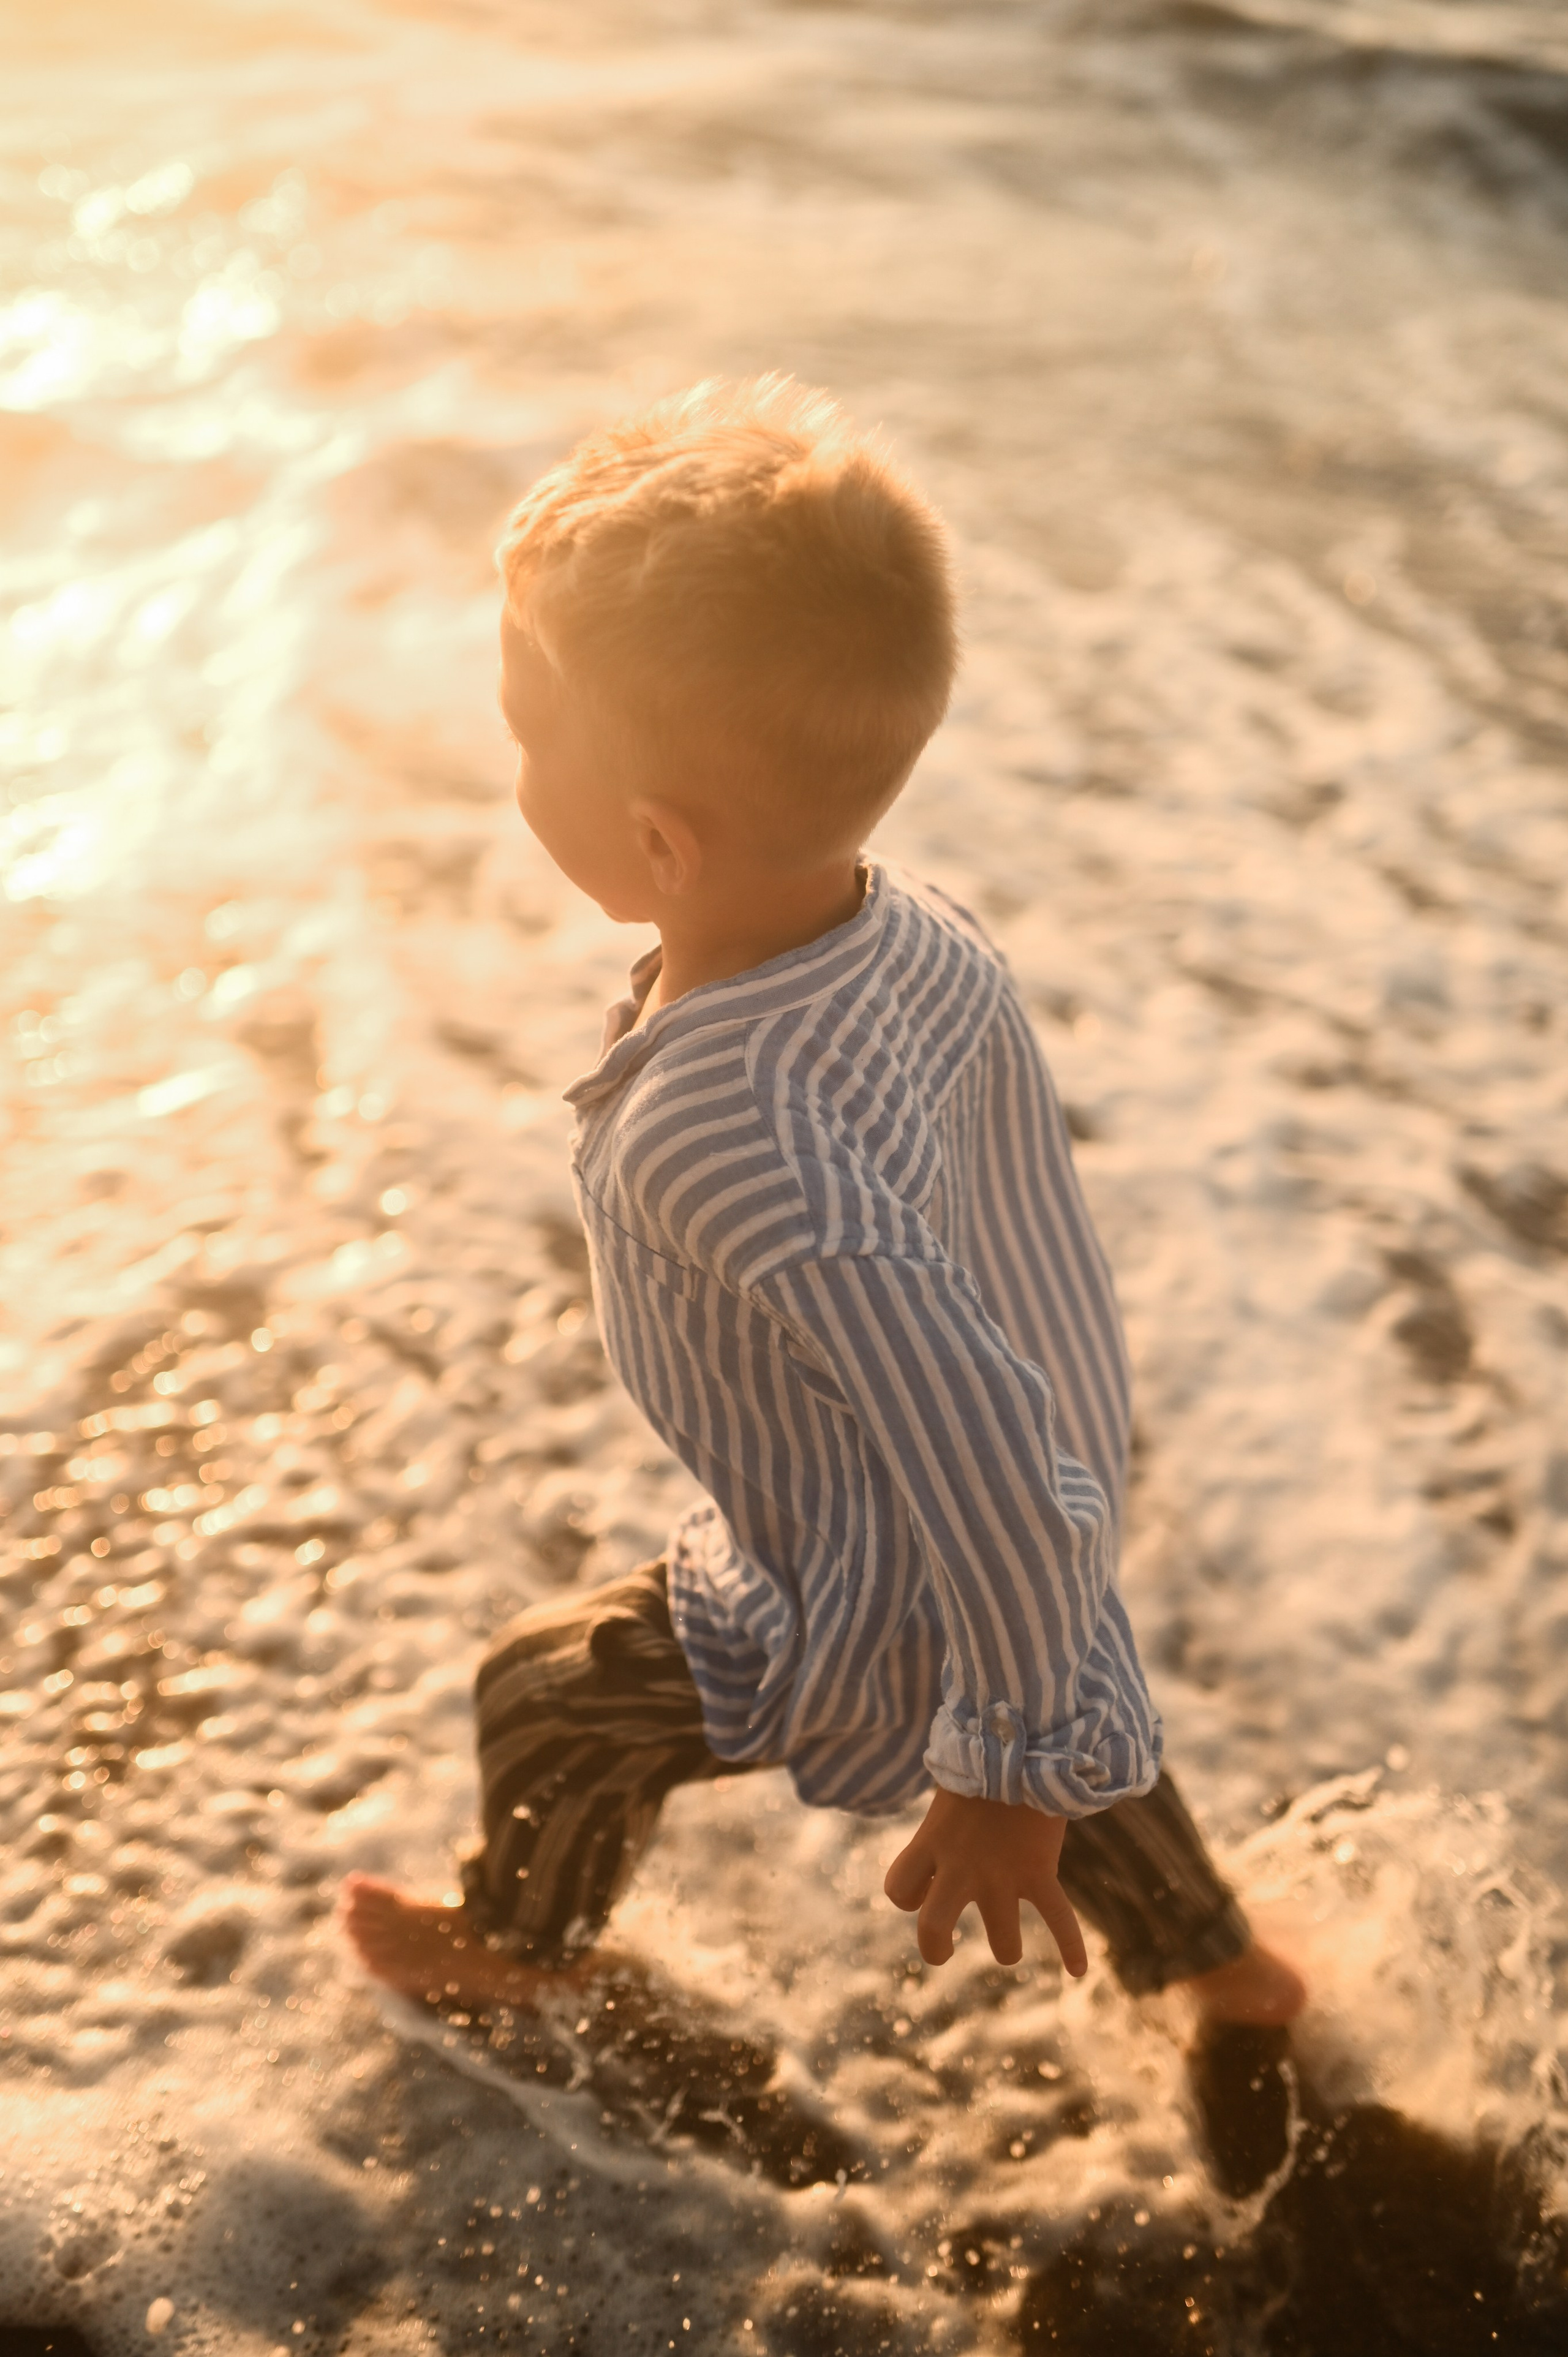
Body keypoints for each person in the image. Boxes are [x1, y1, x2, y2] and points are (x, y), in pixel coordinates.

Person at [340, 377, 1304, 2041]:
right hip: (1035, 1487)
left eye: (522, 739)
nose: (506, 766)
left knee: (554, 1696)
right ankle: (1226, 1970)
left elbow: (986, 1466)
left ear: (654, 841)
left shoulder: (725, 1136)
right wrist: (1033, 1709)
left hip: (878, 1564)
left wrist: (1000, 1773)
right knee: (1072, 1696)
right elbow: (1001, 1411)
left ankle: (523, 1942)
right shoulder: (903, 928)